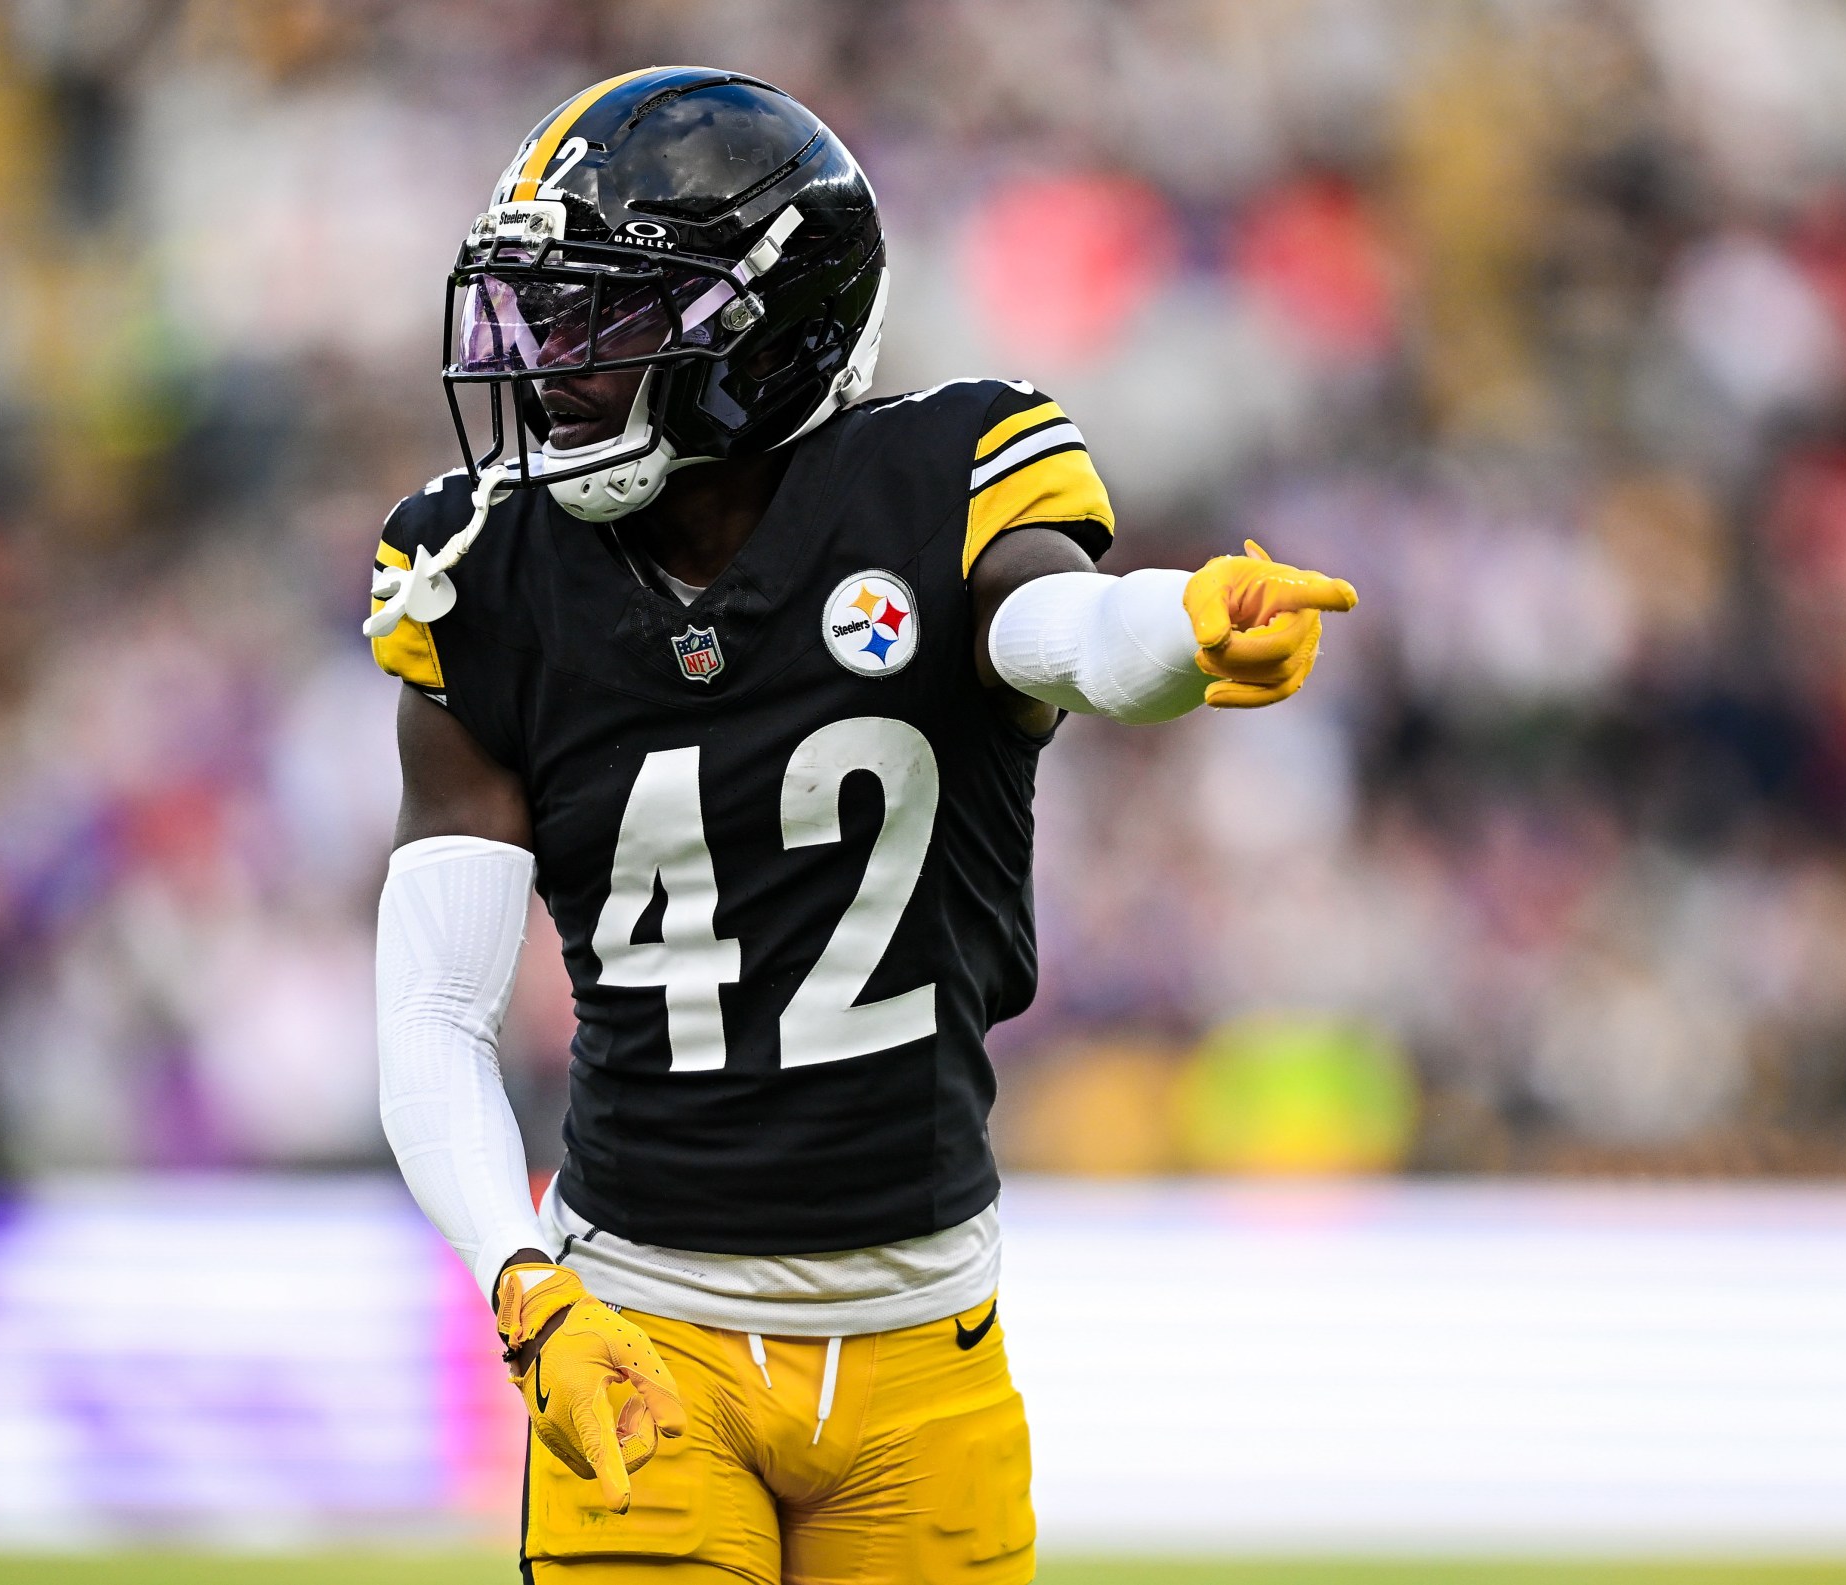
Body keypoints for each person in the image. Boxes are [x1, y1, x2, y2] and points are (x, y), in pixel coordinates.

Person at [368, 67, 1357, 1585]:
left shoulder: (937, 483)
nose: (545, 360)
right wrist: (524, 1286)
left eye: (607, 316)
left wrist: (1188, 627)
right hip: (641, 1327)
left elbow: (1064, 632)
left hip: (922, 1348)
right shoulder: (482, 576)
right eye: (541, 311)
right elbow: (433, 1011)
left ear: (765, 334)